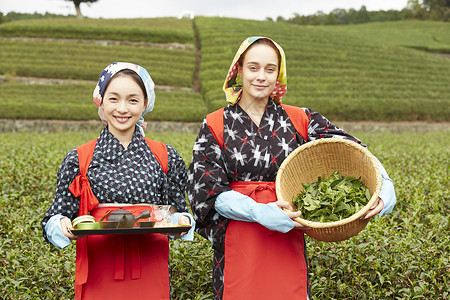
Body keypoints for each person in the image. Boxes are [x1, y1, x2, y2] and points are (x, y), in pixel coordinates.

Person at [186, 36, 396, 300]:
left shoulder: (300, 119)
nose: (261, 76)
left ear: (278, 74)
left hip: (287, 230)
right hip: (238, 235)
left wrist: (385, 183)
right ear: (238, 70)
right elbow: (206, 188)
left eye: (269, 69)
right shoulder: (216, 123)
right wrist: (256, 211)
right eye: (253, 67)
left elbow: (351, 150)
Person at [41, 62, 195, 300]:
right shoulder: (79, 158)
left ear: (145, 103)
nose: (122, 108)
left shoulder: (166, 156)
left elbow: (177, 211)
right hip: (99, 267)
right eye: (113, 99)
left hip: (151, 265)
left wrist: (181, 221)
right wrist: (61, 226)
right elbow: (55, 215)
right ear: (101, 101)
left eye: (132, 100)